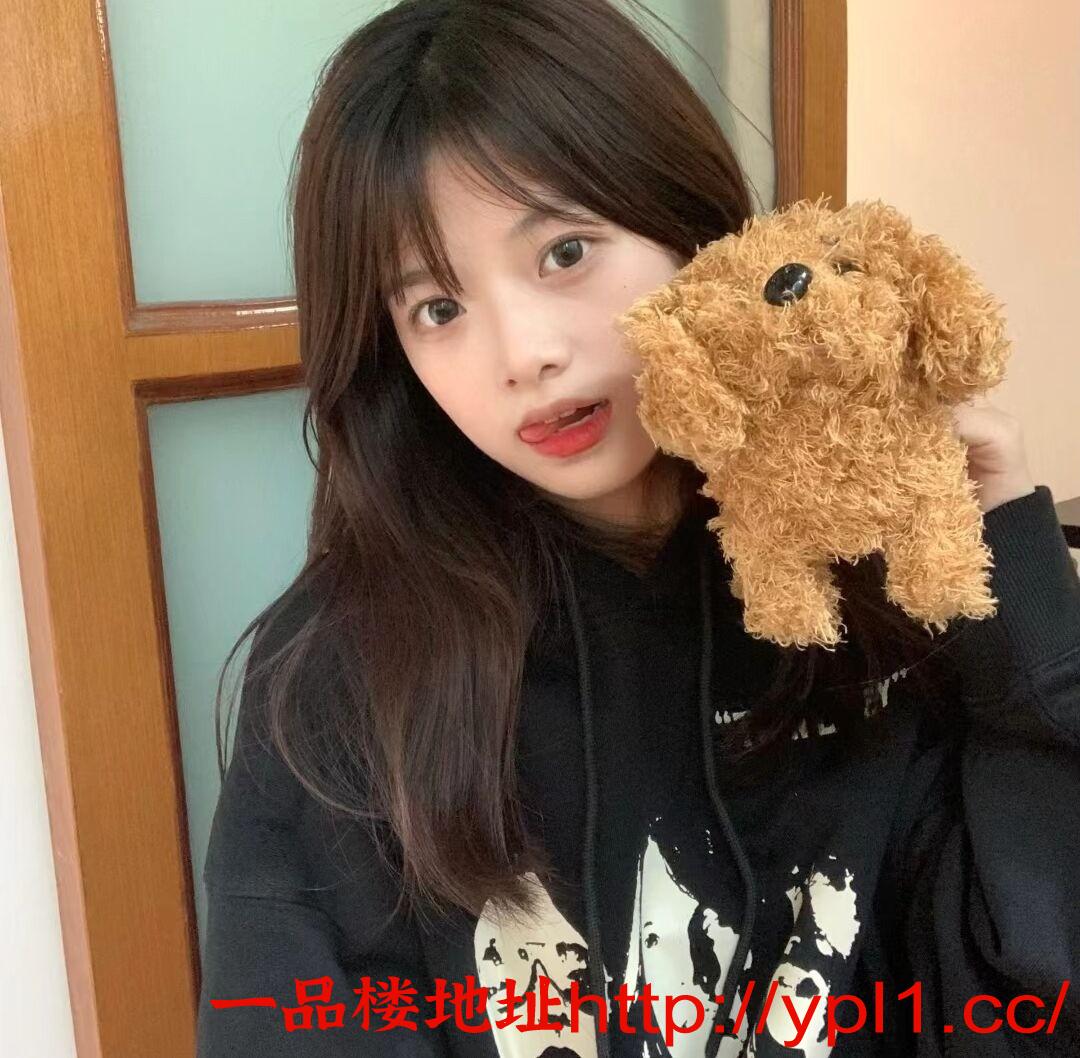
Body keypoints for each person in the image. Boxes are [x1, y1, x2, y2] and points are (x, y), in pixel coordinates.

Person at [195, 1, 1080, 1055]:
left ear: (686, 225)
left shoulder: (869, 589)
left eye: (565, 251)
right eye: (437, 308)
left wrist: (1016, 589)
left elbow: (1031, 997)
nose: (523, 353)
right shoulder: (341, 673)